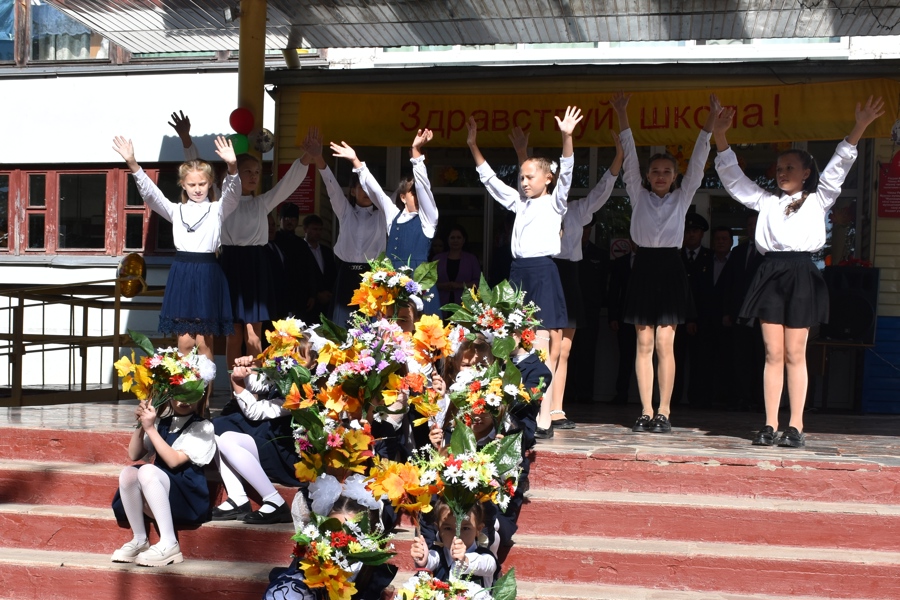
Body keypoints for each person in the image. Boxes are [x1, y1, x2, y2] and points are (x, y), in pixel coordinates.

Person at [712, 95, 885, 447]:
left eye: (790, 167)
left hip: (802, 273)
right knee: (772, 353)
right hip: (770, 274)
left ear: (806, 172)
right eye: (779, 168)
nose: (782, 172)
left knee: (795, 353)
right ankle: (770, 423)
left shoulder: (819, 199)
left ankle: (796, 424)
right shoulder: (766, 201)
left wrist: (860, 126)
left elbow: (839, 165)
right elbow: (733, 179)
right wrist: (720, 136)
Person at [467, 107, 582, 438]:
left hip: (543, 271)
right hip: (518, 272)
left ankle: (544, 417)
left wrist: (567, 137)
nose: (524, 181)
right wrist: (474, 145)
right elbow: (489, 179)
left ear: (547, 178)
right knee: (516, 341)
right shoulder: (519, 203)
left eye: (530, 176)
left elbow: (569, 171)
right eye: (521, 177)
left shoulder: (555, 202)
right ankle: (516, 410)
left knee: (543, 342)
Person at [611, 91, 719, 434]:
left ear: (675, 176)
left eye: (667, 171)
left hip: (671, 269)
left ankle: (665, 412)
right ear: (647, 175)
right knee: (643, 343)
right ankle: (644, 410)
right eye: (655, 170)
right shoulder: (637, 193)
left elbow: (701, 159)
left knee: (665, 343)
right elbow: (628, 160)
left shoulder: (683, 197)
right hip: (643, 268)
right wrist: (622, 115)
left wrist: (710, 125)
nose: (660, 175)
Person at [169, 112, 313, 368]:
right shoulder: (220, 200)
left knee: (254, 333)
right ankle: (234, 392)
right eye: (248, 170)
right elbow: (196, 170)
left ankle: (254, 386)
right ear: (233, 171)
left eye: (257, 171)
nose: (254, 176)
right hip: (229, 263)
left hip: (256, 264)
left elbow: (287, 185)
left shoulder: (261, 202)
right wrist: (185, 138)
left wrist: (306, 158)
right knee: (233, 334)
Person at [511, 126, 623, 430]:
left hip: (567, 274)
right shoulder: (532, 204)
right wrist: (523, 150)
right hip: (542, 269)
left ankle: (556, 408)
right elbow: (526, 179)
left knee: (563, 348)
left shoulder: (577, 209)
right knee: (540, 344)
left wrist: (619, 158)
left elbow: (603, 188)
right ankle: (536, 408)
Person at [111, 135, 239, 375]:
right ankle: (184, 399)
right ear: (183, 185)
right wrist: (133, 163)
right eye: (192, 185)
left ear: (210, 183)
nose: (198, 189)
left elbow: (233, 194)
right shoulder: (176, 210)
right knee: (184, 343)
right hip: (182, 272)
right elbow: (151, 195)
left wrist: (232, 167)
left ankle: (203, 406)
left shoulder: (216, 209)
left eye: (202, 184)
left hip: (207, 271)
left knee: (203, 341)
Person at [331, 129, 441, 316]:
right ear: (403, 197)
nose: (418, 196)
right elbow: (375, 191)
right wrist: (355, 161)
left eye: (419, 193)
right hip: (391, 283)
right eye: (412, 193)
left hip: (419, 282)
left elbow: (424, 187)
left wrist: (416, 153)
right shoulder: (393, 216)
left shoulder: (428, 219)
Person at [111, 397, 216, 566]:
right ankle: (139, 539)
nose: (184, 400)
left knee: (147, 471)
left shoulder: (203, 426)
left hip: (186, 496)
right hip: (159, 490)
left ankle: (170, 543)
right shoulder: (163, 423)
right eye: (178, 395)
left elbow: (174, 461)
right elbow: (134, 454)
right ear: (169, 397)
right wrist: (141, 424)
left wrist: (150, 428)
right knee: (128, 473)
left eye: (189, 394)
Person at [298, 127, 386, 326]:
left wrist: (358, 164)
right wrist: (319, 158)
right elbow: (332, 188)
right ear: (352, 191)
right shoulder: (346, 212)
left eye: (368, 188)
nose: (365, 192)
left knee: (370, 330)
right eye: (360, 187)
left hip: (371, 277)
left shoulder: (383, 214)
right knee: (342, 330)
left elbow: (380, 196)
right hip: (346, 275)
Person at [211, 350, 310, 524]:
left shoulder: (305, 392)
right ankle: (237, 498)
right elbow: (260, 385)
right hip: (274, 439)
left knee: (227, 438)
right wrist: (245, 370)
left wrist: (237, 381)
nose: (292, 359)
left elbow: (255, 412)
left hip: (291, 459)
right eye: (290, 353)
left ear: (314, 364)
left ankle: (275, 501)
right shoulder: (285, 375)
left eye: (301, 355)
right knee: (217, 429)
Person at [718, 213, 765, 411]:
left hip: (762, 316)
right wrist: (727, 312)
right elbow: (728, 284)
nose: (752, 228)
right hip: (739, 315)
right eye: (749, 225)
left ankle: (761, 400)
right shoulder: (738, 252)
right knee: (740, 359)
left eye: (755, 225)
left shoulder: (769, 252)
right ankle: (742, 397)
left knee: (762, 358)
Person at [673, 212, 713, 408]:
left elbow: (709, 293)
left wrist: (696, 319)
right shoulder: (675, 256)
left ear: (702, 234)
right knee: (674, 360)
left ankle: (698, 399)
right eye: (687, 231)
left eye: (695, 231)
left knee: (701, 362)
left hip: (702, 320)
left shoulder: (710, 257)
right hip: (677, 318)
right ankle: (672, 399)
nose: (691, 235)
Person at [410, 501, 497, 588]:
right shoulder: (438, 554)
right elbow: (431, 560)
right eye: (448, 528)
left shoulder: (486, 557)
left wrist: (464, 560)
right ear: (439, 529)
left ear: (478, 529)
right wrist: (423, 560)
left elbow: (484, 565)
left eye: (465, 528)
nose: (456, 535)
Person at [568, 219, 607, 404]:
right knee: (567, 352)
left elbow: (604, 284)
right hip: (569, 309)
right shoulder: (565, 251)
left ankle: (585, 394)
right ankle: (566, 394)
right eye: (581, 227)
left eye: (587, 228)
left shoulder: (599, 254)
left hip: (590, 311)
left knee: (587, 353)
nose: (584, 231)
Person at [607, 239, 637, 405]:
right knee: (625, 357)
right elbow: (613, 292)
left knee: (648, 356)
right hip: (625, 318)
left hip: (646, 317)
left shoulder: (650, 263)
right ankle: (622, 393)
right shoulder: (621, 263)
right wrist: (612, 317)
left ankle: (648, 397)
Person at [273, 202, 309, 320]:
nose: (290, 221)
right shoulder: (273, 241)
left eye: (293, 219)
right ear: (280, 220)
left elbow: (309, 270)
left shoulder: (302, 244)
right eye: (286, 218)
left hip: (298, 296)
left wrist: (312, 294)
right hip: (278, 295)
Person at [298, 213, 337, 324]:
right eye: (315, 229)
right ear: (305, 229)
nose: (318, 232)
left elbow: (332, 274)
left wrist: (329, 293)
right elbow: (301, 276)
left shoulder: (327, 251)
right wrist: (315, 294)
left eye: (320, 229)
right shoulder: (300, 250)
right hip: (309, 302)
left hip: (327, 302)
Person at [434, 224, 481, 308]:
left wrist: (460, 285)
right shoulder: (437, 259)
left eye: (458, 238)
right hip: (440, 303)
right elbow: (430, 282)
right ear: (447, 240)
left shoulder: (471, 259)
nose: (455, 240)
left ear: (463, 240)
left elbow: (478, 283)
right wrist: (443, 286)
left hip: (465, 305)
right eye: (452, 238)